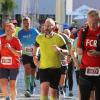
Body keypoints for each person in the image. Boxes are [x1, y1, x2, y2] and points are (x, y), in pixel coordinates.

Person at [33, 18, 69, 100]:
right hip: (43, 68)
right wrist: (35, 57)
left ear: (53, 27)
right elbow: (35, 47)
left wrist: (60, 50)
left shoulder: (59, 38)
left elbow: (67, 52)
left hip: (55, 69)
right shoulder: (39, 38)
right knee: (44, 90)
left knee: (53, 93)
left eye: (49, 26)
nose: (46, 27)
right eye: (45, 25)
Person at [77, 9, 100, 100]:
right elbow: (79, 49)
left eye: (94, 23)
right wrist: (79, 50)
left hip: (99, 70)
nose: (91, 25)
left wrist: (98, 53)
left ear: (98, 21)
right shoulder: (83, 31)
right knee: (84, 97)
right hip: (85, 69)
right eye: (89, 22)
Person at [0, 23, 22, 100]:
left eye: (9, 29)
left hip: (14, 66)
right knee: (3, 84)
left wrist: (10, 48)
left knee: (12, 85)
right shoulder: (1, 39)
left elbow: (19, 54)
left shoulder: (16, 40)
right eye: (6, 29)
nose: (7, 31)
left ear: (13, 30)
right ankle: (7, 97)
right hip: (2, 66)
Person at [18, 17, 39, 97]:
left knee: (33, 70)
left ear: (30, 23)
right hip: (25, 54)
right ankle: (27, 88)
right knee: (27, 68)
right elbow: (18, 43)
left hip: (34, 53)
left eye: (28, 23)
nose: (26, 25)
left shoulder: (34, 31)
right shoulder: (20, 33)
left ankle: (31, 84)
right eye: (25, 23)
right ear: (23, 24)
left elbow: (40, 39)